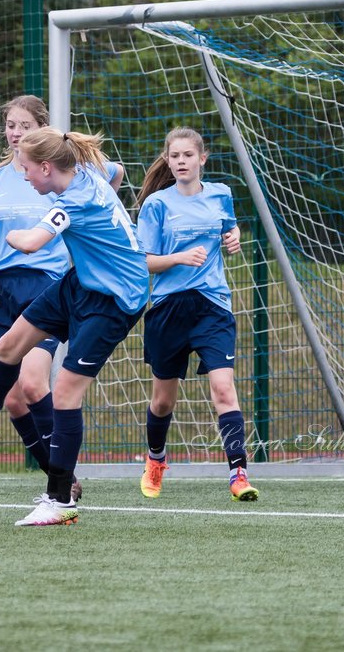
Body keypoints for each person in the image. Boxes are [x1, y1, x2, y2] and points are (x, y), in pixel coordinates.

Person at [0, 128, 148, 526]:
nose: (25, 176)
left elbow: (32, 243)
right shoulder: (88, 168)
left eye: (29, 169)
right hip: (82, 281)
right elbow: (115, 172)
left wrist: (12, 233)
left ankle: (60, 501)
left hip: (117, 299)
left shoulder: (72, 201)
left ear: (48, 167)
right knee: (8, 346)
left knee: (66, 393)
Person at [134, 128, 257, 502]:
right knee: (163, 402)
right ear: (168, 161)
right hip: (169, 309)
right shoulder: (156, 204)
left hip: (212, 306)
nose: (181, 161)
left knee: (223, 389)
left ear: (202, 159)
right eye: (175, 156)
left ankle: (238, 473)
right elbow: (144, 263)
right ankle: (156, 460)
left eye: (188, 155)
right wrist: (178, 258)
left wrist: (233, 237)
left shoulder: (220, 194)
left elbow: (229, 229)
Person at [0, 95, 68, 473]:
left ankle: (62, 475)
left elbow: (113, 175)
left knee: (35, 382)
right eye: (11, 125)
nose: (16, 132)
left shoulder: (58, 175)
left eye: (25, 125)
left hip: (46, 288)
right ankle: (58, 477)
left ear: (42, 128)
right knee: (13, 397)